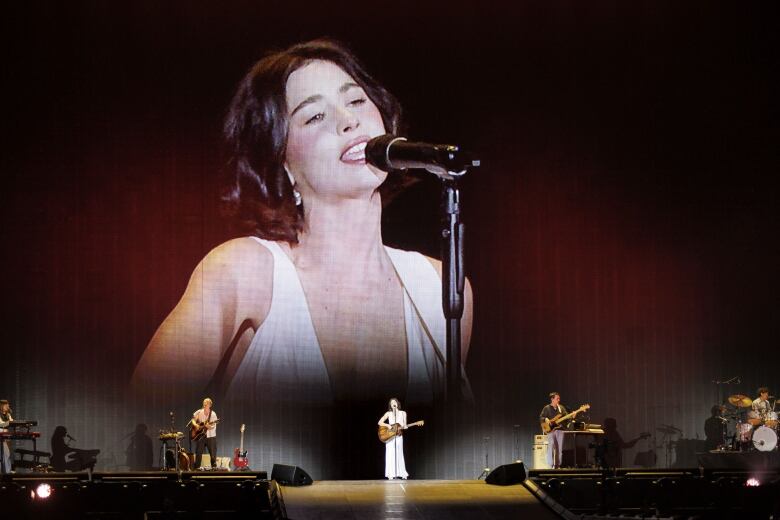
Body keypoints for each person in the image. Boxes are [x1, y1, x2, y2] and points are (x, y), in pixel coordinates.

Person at [130, 39, 473, 406]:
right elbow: (138, 422)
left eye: (356, 100)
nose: (348, 121)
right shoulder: (243, 272)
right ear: (283, 164)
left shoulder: (441, 286)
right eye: (315, 116)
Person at [378, 398, 409, 479]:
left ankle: (402, 473)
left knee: (399, 453)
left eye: (394, 402)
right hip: (390, 435)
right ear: (390, 405)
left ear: (397, 403)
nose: (393, 403)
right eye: (391, 403)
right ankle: (390, 474)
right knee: (390, 454)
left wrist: (405, 426)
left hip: (398, 435)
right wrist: (387, 425)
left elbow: (405, 425)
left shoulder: (403, 413)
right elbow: (379, 422)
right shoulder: (388, 413)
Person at [539, 392, 570, 469]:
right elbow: (541, 417)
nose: (559, 400)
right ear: (552, 399)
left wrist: (572, 415)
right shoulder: (546, 408)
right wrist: (545, 418)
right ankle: (550, 465)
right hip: (551, 430)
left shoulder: (561, 408)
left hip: (560, 429)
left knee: (559, 448)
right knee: (551, 447)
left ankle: (558, 465)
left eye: (559, 398)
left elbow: (567, 417)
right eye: (557, 398)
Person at [191, 398, 218, 470]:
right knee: (198, 453)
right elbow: (193, 420)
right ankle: (197, 469)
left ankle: (214, 469)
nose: (205, 404)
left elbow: (213, 426)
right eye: (204, 403)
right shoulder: (199, 412)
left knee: (212, 454)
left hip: (211, 436)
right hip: (201, 436)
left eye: (207, 403)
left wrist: (209, 426)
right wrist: (196, 425)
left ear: (210, 405)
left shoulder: (213, 414)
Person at [0, 400, 13, 473]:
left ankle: (8, 473)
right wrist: (9, 422)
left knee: (7, 454)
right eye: (6, 405)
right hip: (0, 434)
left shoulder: (8, 415)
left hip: (6, 436)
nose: (8, 406)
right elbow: (1, 424)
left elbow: (11, 422)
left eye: (8, 405)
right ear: (1, 406)